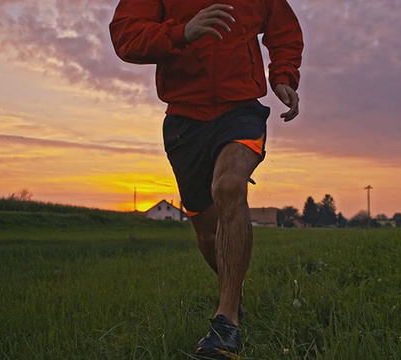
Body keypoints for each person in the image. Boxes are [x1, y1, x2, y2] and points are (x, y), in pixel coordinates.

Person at [109, 1, 303, 358]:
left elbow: (284, 31)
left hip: (241, 108)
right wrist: (181, 32)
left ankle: (226, 321)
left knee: (229, 186)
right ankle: (234, 293)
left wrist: (284, 75)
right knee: (207, 231)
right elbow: (125, 36)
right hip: (185, 118)